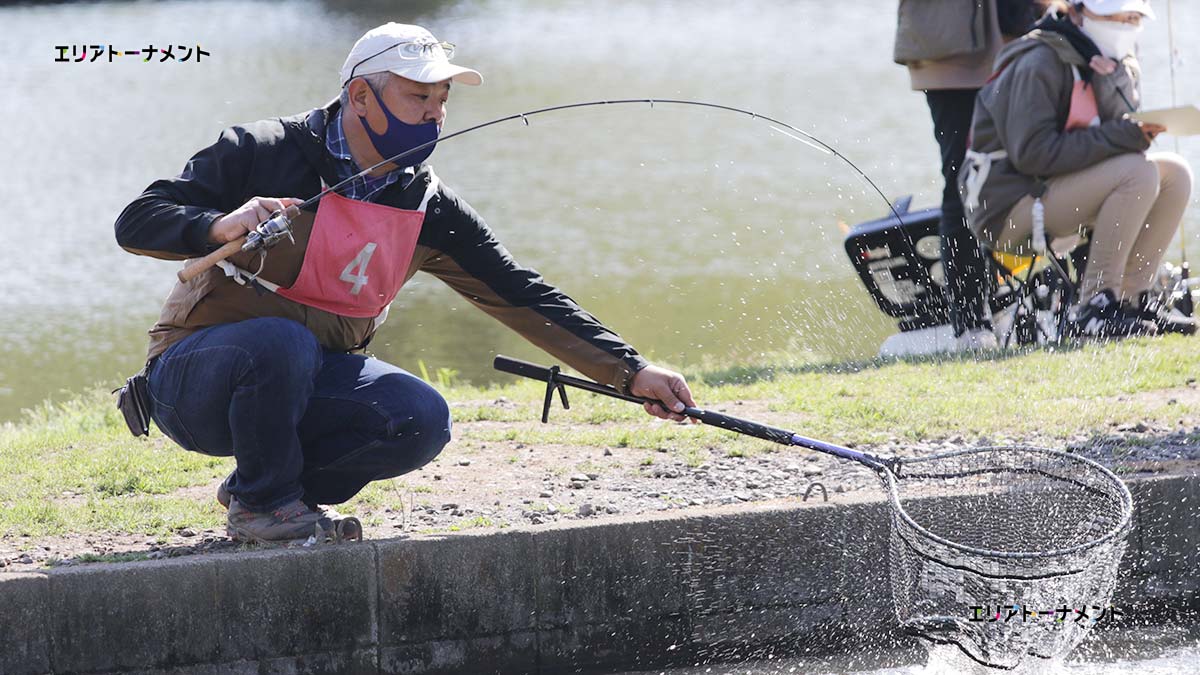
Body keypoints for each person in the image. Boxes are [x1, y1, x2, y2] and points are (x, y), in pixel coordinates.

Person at [114, 23, 697, 543]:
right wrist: (219, 223)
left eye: (442, 100)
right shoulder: (260, 150)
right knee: (279, 342)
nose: (436, 113)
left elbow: (522, 293)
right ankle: (265, 507)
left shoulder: (430, 206)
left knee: (419, 417)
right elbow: (136, 220)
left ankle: (262, 490)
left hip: (307, 382)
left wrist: (631, 370)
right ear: (361, 95)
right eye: (419, 95)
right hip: (191, 387)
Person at [960, 0, 1195, 339]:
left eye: (1134, 19)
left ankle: (1133, 300)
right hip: (1007, 208)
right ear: (1078, 13)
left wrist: (1112, 79)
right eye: (1118, 17)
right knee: (1137, 172)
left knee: (1176, 173)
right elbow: (1033, 155)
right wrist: (1123, 135)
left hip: (1057, 193)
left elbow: (1116, 140)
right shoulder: (1039, 61)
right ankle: (1095, 308)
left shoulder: (1113, 60)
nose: (1127, 26)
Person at [894, 0, 1005, 351]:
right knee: (964, 180)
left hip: (1019, 45)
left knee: (1054, 160)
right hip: (950, 54)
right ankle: (971, 323)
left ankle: (1091, 303)